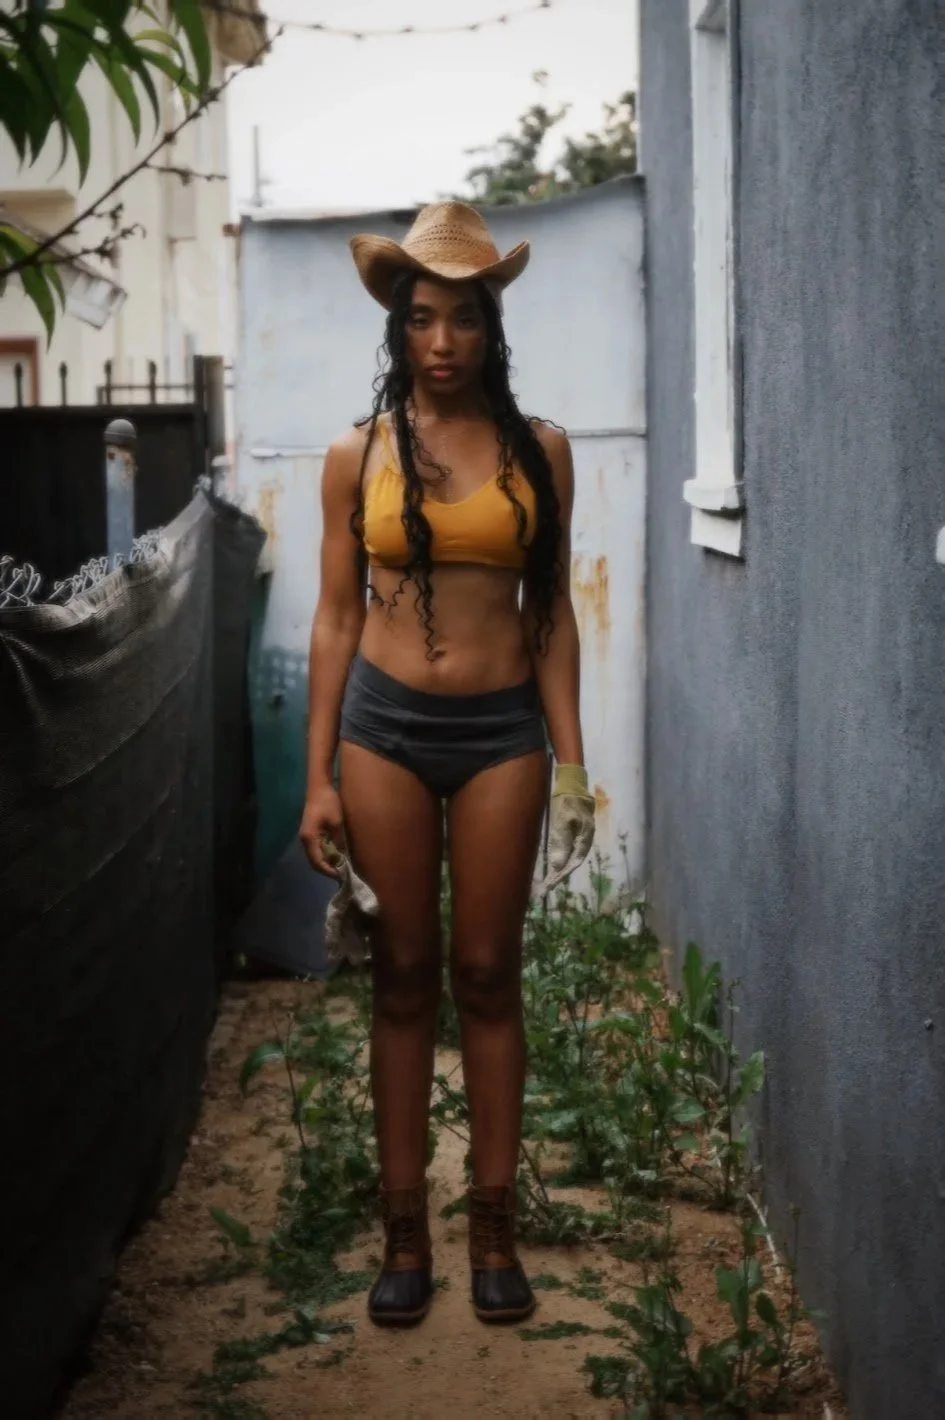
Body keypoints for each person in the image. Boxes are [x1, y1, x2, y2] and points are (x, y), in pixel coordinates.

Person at [298, 201, 596, 1328]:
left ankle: (495, 1227)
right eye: (422, 319)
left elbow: (553, 614)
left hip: (501, 737)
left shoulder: (542, 453)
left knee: (487, 970)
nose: (441, 342)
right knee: (404, 974)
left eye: (463, 319)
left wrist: (573, 766)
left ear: (490, 326)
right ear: (397, 326)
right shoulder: (356, 456)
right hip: (382, 731)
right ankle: (405, 1232)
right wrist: (319, 773)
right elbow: (333, 619)